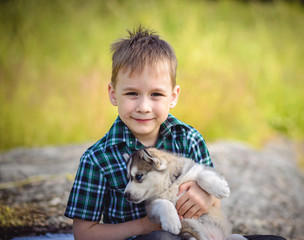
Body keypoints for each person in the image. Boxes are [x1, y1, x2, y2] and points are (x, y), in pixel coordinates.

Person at [65, 26, 286, 240]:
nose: (144, 106)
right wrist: (145, 226)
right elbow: (84, 233)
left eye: (156, 95)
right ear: (113, 94)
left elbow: (217, 199)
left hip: (197, 233)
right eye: (132, 93)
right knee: (162, 238)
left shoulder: (188, 139)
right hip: (147, 239)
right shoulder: (97, 159)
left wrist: (205, 197)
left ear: (173, 96)